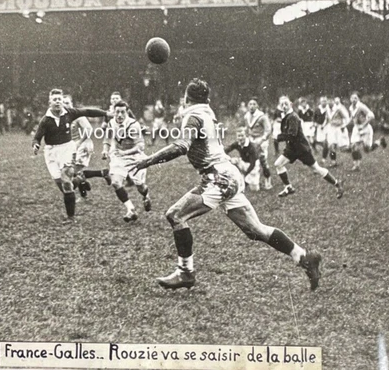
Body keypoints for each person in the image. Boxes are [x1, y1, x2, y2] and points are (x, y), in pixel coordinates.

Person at [131, 78, 322, 291]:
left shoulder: (193, 116)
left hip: (218, 178)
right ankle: (304, 256)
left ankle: (185, 272)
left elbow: (181, 146)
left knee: (175, 215)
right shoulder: (208, 113)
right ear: (208, 99)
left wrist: (148, 160)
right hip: (229, 174)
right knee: (255, 230)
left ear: (186, 99)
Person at [32, 89, 109, 224]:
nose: (57, 102)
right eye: (54, 99)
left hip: (68, 148)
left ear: (62, 101)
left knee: (66, 181)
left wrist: (106, 113)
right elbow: (37, 136)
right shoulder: (45, 120)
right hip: (51, 152)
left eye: (59, 99)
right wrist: (36, 144)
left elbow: (87, 111)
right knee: (63, 185)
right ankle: (80, 179)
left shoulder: (69, 113)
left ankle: (70, 217)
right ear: (50, 102)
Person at [274, 96, 343, 199]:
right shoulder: (286, 116)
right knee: (278, 164)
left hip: (301, 149)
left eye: (286, 104)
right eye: (282, 104)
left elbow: (292, 135)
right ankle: (288, 187)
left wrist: (278, 137)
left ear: (291, 104)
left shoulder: (293, 116)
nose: (284, 106)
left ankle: (337, 184)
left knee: (316, 168)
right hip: (292, 148)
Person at [103, 101, 152, 222]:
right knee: (115, 183)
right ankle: (131, 209)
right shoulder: (111, 123)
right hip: (118, 157)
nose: (119, 115)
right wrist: (105, 149)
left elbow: (140, 146)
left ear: (127, 112)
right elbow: (108, 138)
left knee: (141, 187)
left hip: (134, 158)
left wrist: (125, 153)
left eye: (122, 112)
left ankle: (146, 196)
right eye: (117, 112)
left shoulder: (133, 125)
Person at [63, 95, 94, 199]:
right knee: (71, 171)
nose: (65, 105)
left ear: (72, 104)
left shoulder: (78, 116)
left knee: (72, 173)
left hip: (84, 146)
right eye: (63, 103)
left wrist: (79, 142)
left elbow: (89, 129)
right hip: (73, 147)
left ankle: (70, 196)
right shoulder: (63, 117)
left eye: (67, 103)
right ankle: (84, 184)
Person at [348, 92, 386, 171]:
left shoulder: (361, 106)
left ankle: (380, 141)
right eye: (352, 98)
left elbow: (372, 115)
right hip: (357, 129)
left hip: (366, 129)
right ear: (350, 99)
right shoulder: (351, 108)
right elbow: (353, 118)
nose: (354, 100)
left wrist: (364, 124)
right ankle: (356, 166)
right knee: (353, 146)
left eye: (355, 98)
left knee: (367, 149)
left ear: (358, 99)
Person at [243, 98, 273, 190]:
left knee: (263, 161)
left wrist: (262, 139)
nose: (252, 106)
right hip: (251, 140)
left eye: (254, 104)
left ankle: (268, 180)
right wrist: (246, 137)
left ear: (257, 106)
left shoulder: (262, 116)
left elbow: (268, 130)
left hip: (261, 141)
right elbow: (247, 128)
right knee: (251, 161)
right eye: (250, 104)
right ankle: (251, 181)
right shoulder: (247, 116)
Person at [225, 127, 264, 192]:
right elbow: (226, 150)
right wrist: (226, 157)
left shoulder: (251, 147)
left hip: (253, 166)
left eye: (242, 136)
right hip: (243, 162)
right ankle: (237, 177)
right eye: (238, 136)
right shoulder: (237, 143)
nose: (240, 138)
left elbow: (252, 164)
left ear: (246, 136)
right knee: (231, 161)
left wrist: (245, 174)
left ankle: (249, 181)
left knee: (255, 190)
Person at [326, 97, 350, 167]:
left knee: (343, 148)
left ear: (333, 102)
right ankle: (333, 162)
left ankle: (354, 151)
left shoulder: (338, 109)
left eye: (331, 101)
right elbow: (328, 118)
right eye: (328, 101)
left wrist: (343, 125)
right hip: (331, 128)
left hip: (339, 128)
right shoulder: (327, 109)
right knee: (331, 145)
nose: (329, 103)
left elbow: (346, 117)